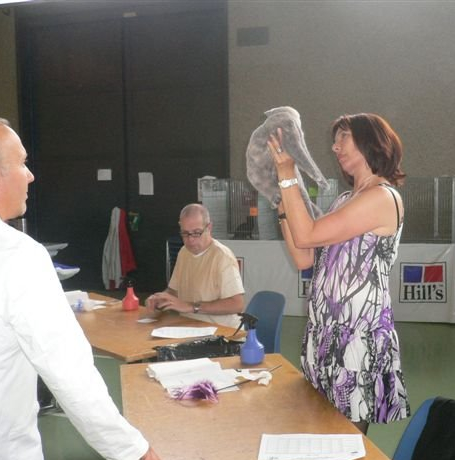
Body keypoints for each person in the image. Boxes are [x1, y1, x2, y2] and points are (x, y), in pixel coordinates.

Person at [0, 116, 172, 460]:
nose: (30, 175)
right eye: (21, 163)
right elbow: (68, 371)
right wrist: (128, 447)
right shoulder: (16, 255)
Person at [267, 113, 410, 434]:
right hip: (325, 332)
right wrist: (282, 204)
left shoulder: (382, 197)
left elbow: (306, 235)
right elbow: (303, 256)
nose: (335, 146)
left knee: (346, 440)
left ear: (370, 141)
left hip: (356, 337)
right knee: (320, 431)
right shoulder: (346, 199)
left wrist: (288, 176)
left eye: (344, 137)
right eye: (335, 139)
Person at [146, 203, 245, 328]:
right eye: (185, 233)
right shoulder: (184, 252)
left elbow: (237, 304)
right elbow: (174, 291)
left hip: (221, 332)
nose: (190, 240)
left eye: (196, 233)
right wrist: (160, 299)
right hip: (190, 327)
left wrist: (191, 307)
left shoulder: (222, 256)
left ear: (209, 227)